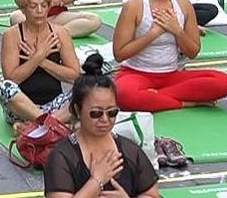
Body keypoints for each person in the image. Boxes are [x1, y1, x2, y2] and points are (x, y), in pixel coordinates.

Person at [113, 0, 227, 112]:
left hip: (171, 75)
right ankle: (185, 102)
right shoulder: (134, 6)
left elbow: (192, 52)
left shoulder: (183, 4)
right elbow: (119, 54)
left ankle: (154, 97)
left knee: (223, 82)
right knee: (124, 95)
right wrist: (154, 33)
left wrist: (177, 30)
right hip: (136, 73)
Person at [44, 55, 160, 198]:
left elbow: (152, 194)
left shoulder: (130, 151)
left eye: (112, 112)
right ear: (78, 110)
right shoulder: (62, 157)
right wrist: (97, 181)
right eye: (96, 113)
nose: (105, 119)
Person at [0, 0, 80, 124]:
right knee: (5, 88)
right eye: (33, 6)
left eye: (44, 5)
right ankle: (49, 123)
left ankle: (42, 124)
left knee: (87, 89)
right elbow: (12, 79)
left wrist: (43, 62)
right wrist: (37, 57)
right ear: (23, 9)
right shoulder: (12, 35)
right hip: (22, 107)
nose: (39, 11)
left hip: (56, 105)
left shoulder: (60, 33)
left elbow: (74, 75)